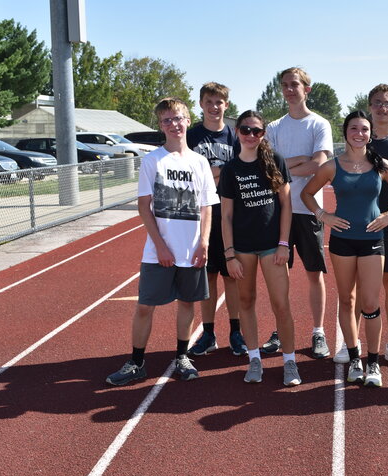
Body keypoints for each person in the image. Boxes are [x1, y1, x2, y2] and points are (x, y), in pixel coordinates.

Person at [106, 98, 216, 386]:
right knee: (144, 306)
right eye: (167, 120)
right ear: (161, 125)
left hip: (191, 250)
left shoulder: (200, 162)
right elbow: (145, 207)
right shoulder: (152, 160)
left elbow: (206, 206)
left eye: (178, 118)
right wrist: (161, 246)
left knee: (187, 304)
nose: (174, 124)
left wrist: (203, 242)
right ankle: (137, 361)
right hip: (159, 250)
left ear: (188, 120)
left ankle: (182, 356)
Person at [302, 110, 388, 387]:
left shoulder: (380, 164)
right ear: (346, 132)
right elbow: (306, 193)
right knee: (347, 300)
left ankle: (373, 362)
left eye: (364, 129)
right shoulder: (331, 165)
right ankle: (354, 358)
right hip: (342, 241)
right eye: (354, 128)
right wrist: (323, 215)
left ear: (370, 134)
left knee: (370, 302)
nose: (359, 133)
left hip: (374, 240)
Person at [330, 84, 388, 369]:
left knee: (386, 287)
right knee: (349, 293)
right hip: (352, 227)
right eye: (376, 102)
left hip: (385, 225)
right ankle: (350, 345)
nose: (382, 107)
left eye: (387, 103)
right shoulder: (353, 148)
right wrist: (322, 214)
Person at [219, 111, 300, 386]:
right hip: (242, 248)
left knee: (281, 305)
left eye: (256, 131)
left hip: (272, 247)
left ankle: (289, 362)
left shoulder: (274, 161)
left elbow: (286, 206)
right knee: (246, 303)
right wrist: (229, 254)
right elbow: (226, 216)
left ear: (263, 134)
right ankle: (254, 359)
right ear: (238, 132)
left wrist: (284, 244)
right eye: (245, 130)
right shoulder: (230, 169)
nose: (251, 135)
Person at [262, 67, 334, 360]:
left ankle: (318, 332)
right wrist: (299, 162)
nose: (289, 89)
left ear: (307, 89)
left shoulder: (319, 124)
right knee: (280, 274)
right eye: (285, 85)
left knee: (314, 274)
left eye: (295, 85)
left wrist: (284, 167)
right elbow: (267, 168)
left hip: (308, 211)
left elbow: (319, 164)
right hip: (278, 212)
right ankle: (281, 330)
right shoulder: (274, 126)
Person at [186, 82, 248, 358]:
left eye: (219, 102)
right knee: (207, 276)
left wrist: (213, 174)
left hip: (230, 213)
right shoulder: (191, 136)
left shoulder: (234, 136)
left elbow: (238, 172)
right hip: (199, 214)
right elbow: (188, 173)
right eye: (209, 101)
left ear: (226, 105)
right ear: (201, 104)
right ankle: (208, 333)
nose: (214, 107)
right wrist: (215, 174)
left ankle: (236, 331)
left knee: (231, 275)